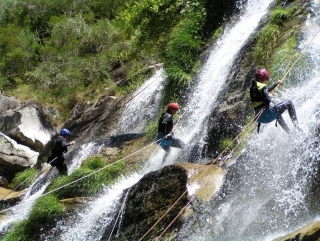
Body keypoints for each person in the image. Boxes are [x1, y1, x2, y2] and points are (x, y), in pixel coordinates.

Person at [250, 68, 299, 133]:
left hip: (260, 117)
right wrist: (269, 97)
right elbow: (267, 100)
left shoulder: (253, 87)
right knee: (289, 103)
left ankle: (289, 132)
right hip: (266, 114)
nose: (266, 81)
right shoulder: (262, 86)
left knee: (278, 114)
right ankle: (297, 126)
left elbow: (264, 92)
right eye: (266, 79)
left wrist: (276, 84)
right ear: (263, 79)